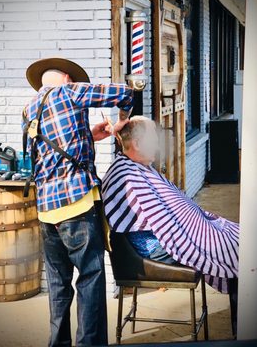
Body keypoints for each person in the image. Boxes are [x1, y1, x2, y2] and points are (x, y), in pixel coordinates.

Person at [22, 57, 133, 347]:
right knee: (90, 278)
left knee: (58, 287)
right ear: (68, 78)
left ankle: (58, 343)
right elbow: (123, 92)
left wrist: (89, 136)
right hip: (77, 205)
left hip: (47, 210)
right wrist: (122, 120)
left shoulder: (29, 110)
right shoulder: (70, 92)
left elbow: (51, 153)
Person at [102, 115, 239, 337]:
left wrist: (199, 221)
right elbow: (164, 221)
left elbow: (172, 211)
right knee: (232, 249)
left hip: (156, 237)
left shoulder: (135, 166)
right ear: (137, 143)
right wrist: (197, 229)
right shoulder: (127, 175)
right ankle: (242, 328)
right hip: (149, 248)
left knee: (230, 237)